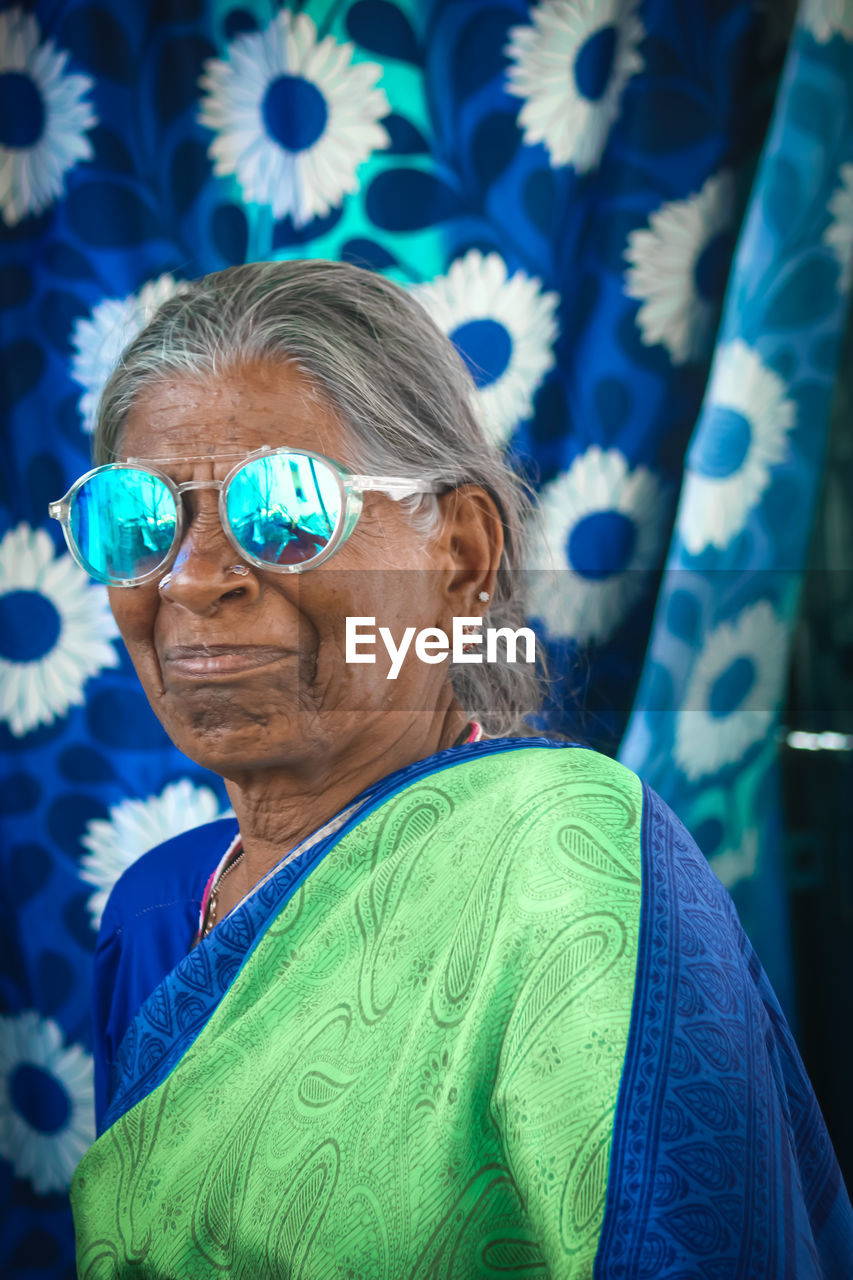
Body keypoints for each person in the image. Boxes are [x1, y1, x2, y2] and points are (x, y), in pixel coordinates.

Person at [59, 260, 851, 1278]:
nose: (195, 575)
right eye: (138, 520)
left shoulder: (568, 863)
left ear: (462, 554)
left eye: (286, 507)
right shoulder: (153, 911)